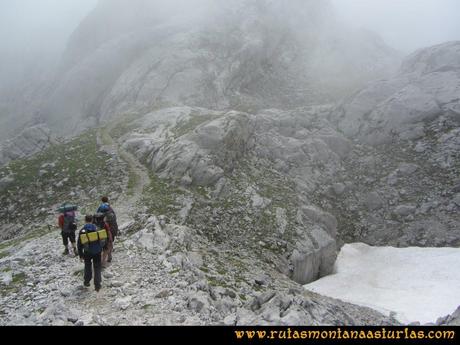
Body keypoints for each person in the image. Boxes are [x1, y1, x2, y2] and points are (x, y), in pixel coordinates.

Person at [77, 215, 107, 292]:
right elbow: (103, 238)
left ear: (85, 220)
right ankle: (97, 284)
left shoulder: (82, 230)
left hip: (87, 252)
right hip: (97, 251)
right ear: (92, 219)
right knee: (97, 267)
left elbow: (79, 244)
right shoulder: (97, 228)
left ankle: (87, 281)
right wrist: (104, 248)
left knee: (87, 266)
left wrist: (80, 255)